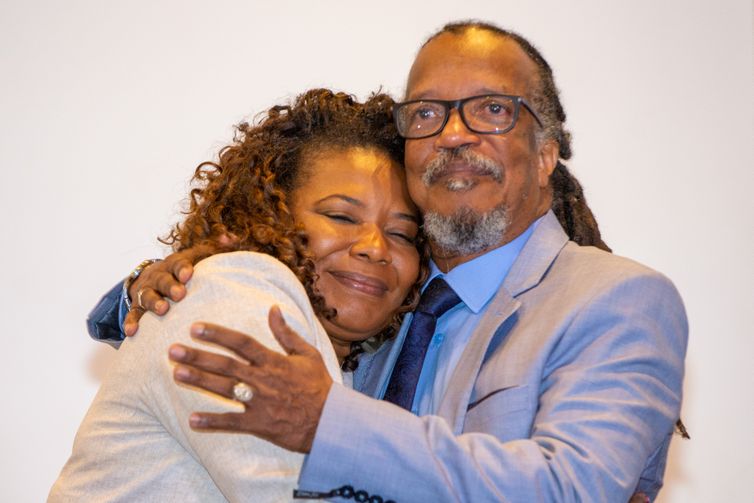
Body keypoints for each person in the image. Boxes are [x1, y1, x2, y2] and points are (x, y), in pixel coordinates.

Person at [87, 22, 687, 502]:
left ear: (547, 152)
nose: (454, 134)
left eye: (493, 110)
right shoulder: (378, 310)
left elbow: (570, 491)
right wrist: (177, 282)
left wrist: (330, 423)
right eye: (426, 113)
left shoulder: (620, 299)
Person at [50, 89, 427, 502]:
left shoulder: (356, 358)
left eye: (402, 234)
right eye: (340, 216)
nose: (375, 246)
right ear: (269, 212)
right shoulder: (235, 295)